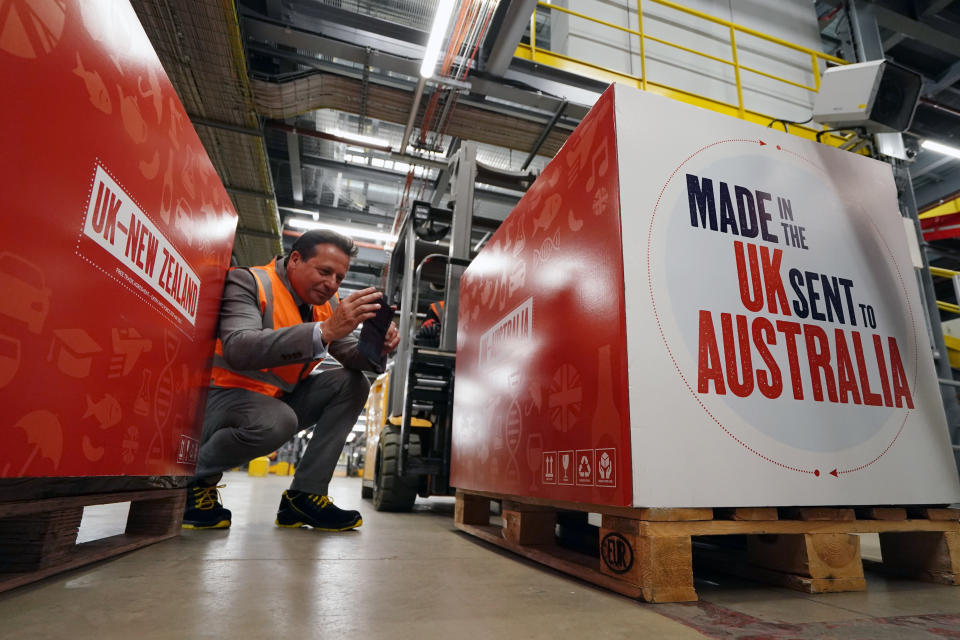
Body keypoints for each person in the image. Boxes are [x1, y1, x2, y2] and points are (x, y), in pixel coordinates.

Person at [183, 229, 399, 532]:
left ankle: (305, 497)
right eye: (325, 272)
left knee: (352, 383)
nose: (332, 284)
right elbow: (239, 347)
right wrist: (324, 331)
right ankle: (189, 481)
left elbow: (350, 355)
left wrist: (377, 344)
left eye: (339, 277)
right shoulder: (248, 282)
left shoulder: (326, 304)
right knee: (277, 420)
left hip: (272, 402)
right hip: (219, 400)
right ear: (295, 259)